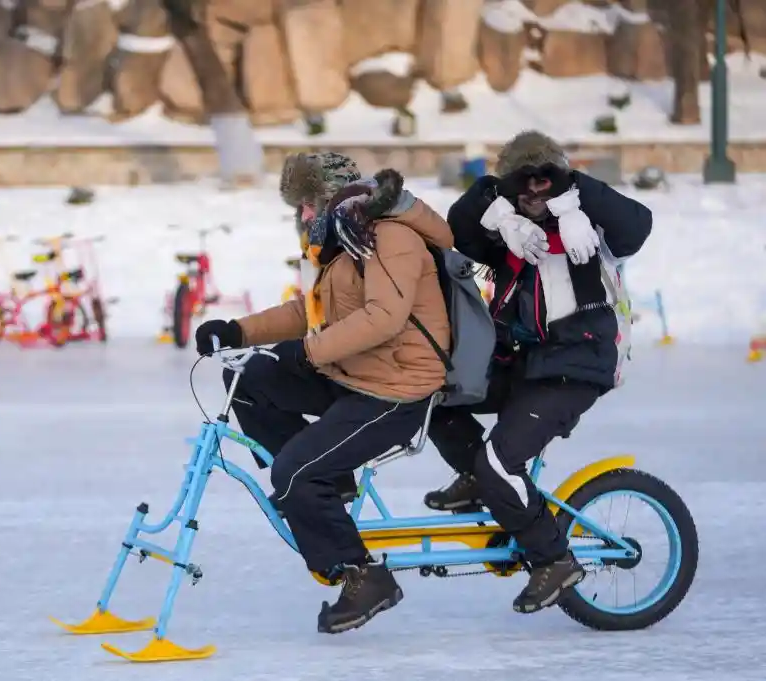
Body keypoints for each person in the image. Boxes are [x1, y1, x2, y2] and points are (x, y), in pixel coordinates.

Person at [193, 152, 454, 634]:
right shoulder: (343, 240)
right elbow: (311, 312)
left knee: (294, 472)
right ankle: (327, 488)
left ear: (332, 197)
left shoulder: (387, 236)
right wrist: (237, 330)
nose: (304, 214)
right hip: (354, 375)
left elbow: (383, 318)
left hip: (397, 389)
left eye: (309, 202)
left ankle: (363, 576)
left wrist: (307, 353)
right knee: (249, 379)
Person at [423, 130, 653, 614]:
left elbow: (638, 224)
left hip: (578, 364)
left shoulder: (591, 226)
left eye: (542, 181)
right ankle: (479, 478)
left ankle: (553, 559)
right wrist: (498, 205)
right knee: (432, 395)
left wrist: (573, 192)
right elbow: (455, 228)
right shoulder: (507, 232)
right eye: (521, 184)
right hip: (521, 360)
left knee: (500, 461)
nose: (532, 194)